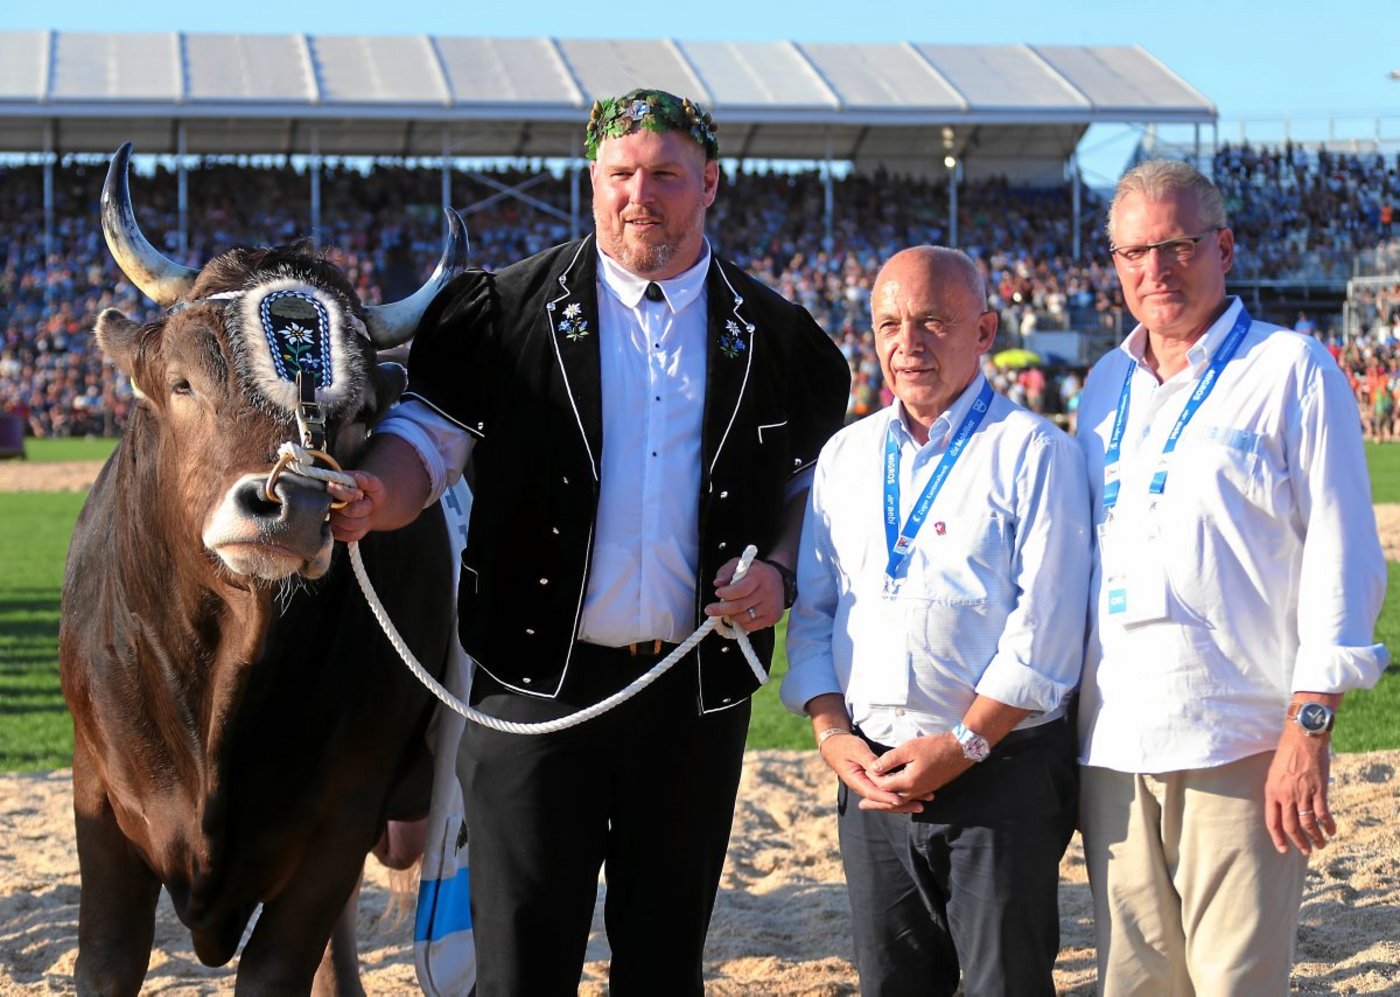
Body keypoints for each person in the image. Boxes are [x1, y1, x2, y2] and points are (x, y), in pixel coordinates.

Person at [327, 87, 850, 994]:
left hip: (693, 694)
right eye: (619, 174)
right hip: (532, 692)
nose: (638, 194)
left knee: (663, 960)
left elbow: (811, 498)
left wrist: (777, 570)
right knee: (522, 964)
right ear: (592, 179)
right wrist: (380, 493)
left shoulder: (781, 337)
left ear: (711, 184)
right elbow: (424, 445)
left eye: (665, 175)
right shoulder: (495, 313)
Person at [1076, 159, 1389, 995]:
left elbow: (1344, 551)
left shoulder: (1293, 368)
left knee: (1234, 985)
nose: (1155, 270)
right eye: (1133, 252)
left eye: (1176, 246)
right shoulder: (1103, 388)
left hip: (1239, 739)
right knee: (1134, 984)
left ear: (1224, 246)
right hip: (1113, 747)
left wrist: (1310, 724)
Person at [782, 245, 1090, 996]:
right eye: (890, 323)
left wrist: (962, 745)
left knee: (1003, 985)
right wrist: (832, 737)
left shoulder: (1036, 453)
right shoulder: (846, 457)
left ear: (983, 331)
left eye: (931, 321)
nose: (906, 343)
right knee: (892, 983)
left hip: (1001, 772)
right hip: (875, 779)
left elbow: (1045, 638)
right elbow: (816, 615)